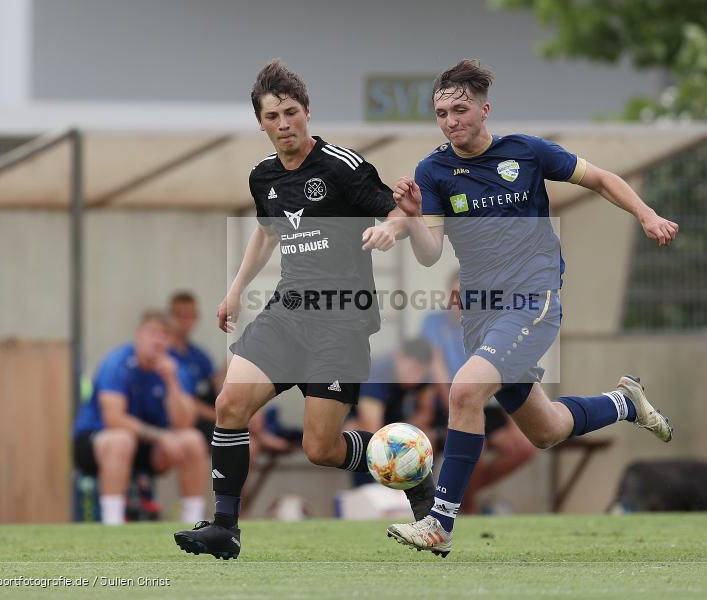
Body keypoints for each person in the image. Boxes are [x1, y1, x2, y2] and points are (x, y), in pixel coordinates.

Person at [387, 59, 677, 556]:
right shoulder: (432, 170)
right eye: (441, 113)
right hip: (481, 313)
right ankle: (625, 402)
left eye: (460, 109)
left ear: (484, 108)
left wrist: (646, 215)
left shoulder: (526, 152)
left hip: (532, 299)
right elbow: (431, 253)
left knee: (464, 392)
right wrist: (414, 219)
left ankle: (439, 522)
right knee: (547, 431)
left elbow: (602, 179)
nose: (451, 121)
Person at [173, 59, 435, 559]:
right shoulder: (263, 177)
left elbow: (399, 211)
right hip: (286, 315)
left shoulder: (343, 166)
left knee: (322, 449)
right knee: (229, 405)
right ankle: (224, 527)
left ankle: (413, 470)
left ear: (307, 112)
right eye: (272, 117)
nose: (283, 124)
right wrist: (236, 289)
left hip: (342, 321)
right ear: (261, 123)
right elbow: (268, 231)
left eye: (291, 112)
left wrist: (389, 229)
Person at [72, 310, 208, 525]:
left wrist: (172, 381)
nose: (157, 340)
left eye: (164, 335)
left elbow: (184, 423)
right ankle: (113, 521)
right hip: (98, 440)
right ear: (138, 334)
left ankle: (193, 520)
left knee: (192, 439)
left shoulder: (175, 369)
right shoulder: (117, 363)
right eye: (152, 333)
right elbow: (113, 419)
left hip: (146, 444)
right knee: (120, 440)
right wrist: (162, 436)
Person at [420, 271, 537, 515]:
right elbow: (438, 370)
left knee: (523, 448)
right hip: (451, 403)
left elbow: (505, 373)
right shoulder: (433, 323)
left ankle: (458, 498)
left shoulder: (491, 326)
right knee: (476, 448)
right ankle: (469, 508)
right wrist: (458, 411)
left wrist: (516, 420)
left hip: (488, 404)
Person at [167, 291, 221, 443]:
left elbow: (218, 386)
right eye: (180, 315)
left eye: (191, 315)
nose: (186, 321)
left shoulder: (199, 355)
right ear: (170, 316)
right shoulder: (165, 355)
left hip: (208, 415)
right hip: (183, 418)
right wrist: (222, 417)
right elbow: (187, 401)